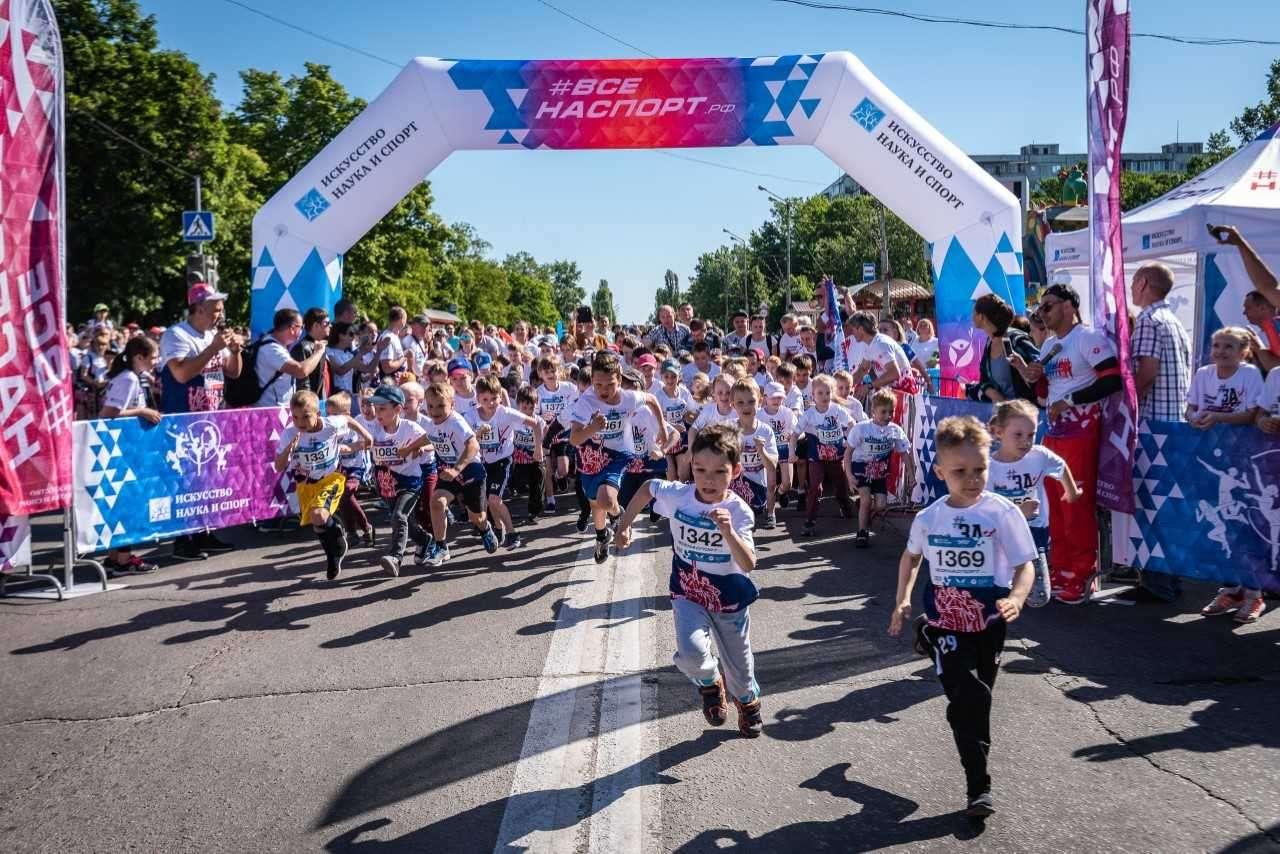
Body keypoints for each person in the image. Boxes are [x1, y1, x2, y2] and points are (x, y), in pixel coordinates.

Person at [888, 415, 1037, 818]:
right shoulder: (929, 518)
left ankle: (974, 757)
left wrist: (1018, 598)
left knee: (977, 699)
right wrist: (903, 599)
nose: (972, 479)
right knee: (970, 696)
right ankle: (979, 787)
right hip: (947, 622)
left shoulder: (1002, 513)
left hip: (990, 622)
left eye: (980, 470)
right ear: (940, 472)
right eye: (960, 472)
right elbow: (911, 557)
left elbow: (1026, 565)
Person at [615, 424, 763, 738]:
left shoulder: (738, 512)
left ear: (735, 471)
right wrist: (625, 525)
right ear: (689, 466)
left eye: (719, 472)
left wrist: (729, 533)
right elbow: (647, 489)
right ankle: (710, 684)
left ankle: (747, 703)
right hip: (688, 590)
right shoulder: (680, 496)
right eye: (700, 469)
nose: (708, 480)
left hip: (729, 598)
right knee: (692, 653)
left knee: (740, 669)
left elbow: (749, 563)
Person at [1014, 284, 1121, 604]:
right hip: (1055, 432)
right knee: (1054, 505)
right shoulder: (1050, 343)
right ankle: (1061, 568)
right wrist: (1031, 375)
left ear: (1069, 306)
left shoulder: (1087, 337)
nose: (1042, 313)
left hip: (1082, 431)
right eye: (1040, 309)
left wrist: (1071, 400)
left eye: (1048, 306)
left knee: (1074, 503)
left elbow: (1112, 379)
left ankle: (1082, 572)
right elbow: (1045, 396)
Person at [157, 280, 243, 561]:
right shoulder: (176, 335)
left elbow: (233, 373)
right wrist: (211, 349)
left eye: (221, 310)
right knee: (186, 480)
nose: (220, 315)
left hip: (212, 418)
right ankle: (184, 541)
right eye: (215, 310)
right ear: (198, 309)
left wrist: (236, 350)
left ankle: (206, 532)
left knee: (208, 481)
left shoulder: (213, 336)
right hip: (184, 419)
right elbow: (181, 374)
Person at [567, 351, 665, 564]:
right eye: (598, 385)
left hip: (620, 454)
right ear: (592, 381)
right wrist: (592, 428)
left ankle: (618, 515)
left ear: (619, 380)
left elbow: (653, 399)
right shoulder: (587, 401)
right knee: (596, 504)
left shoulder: (629, 397)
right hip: (591, 457)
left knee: (606, 499)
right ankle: (602, 536)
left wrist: (663, 430)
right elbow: (574, 439)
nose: (603, 391)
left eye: (610, 384)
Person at [986, 400, 1080, 608]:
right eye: (1018, 435)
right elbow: (987, 508)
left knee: (1039, 597)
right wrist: (1019, 512)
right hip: (1002, 538)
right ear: (999, 433)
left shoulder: (1039, 456)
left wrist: (1071, 492)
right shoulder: (989, 467)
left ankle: (1014, 599)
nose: (1026, 442)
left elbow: (1060, 466)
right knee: (996, 590)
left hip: (1034, 532)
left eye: (1031, 434)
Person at [274, 390, 372, 581]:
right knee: (317, 523)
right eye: (295, 417)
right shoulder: (290, 433)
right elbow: (278, 466)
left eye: (305, 417)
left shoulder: (331, 425)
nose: (300, 422)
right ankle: (334, 554)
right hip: (307, 484)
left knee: (319, 515)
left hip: (331, 478)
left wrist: (366, 435)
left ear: (318, 414)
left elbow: (347, 419)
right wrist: (288, 450)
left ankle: (337, 538)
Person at [97, 337, 163, 576]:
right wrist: (143, 411)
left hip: (124, 448)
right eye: (153, 357)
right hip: (122, 450)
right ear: (139, 357)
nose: (156, 361)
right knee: (127, 503)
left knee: (122, 503)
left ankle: (116, 557)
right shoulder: (129, 378)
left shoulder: (130, 377)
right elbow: (108, 413)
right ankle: (123, 560)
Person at [421, 381, 498, 565]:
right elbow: (427, 436)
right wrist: (409, 448)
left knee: (476, 517)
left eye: (441, 406)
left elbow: (473, 445)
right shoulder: (432, 422)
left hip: (470, 469)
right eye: (431, 406)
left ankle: (485, 528)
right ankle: (441, 548)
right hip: (449, 472)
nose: (435, 411)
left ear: (452, 405)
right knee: (437, 502)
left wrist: (457, 469)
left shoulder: (456, 421)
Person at [365, 383, 434, 577]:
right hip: (385, 483)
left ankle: (395, 557)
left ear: (397, 409)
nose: (377, 413)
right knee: (406, 523)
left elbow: (433, 439)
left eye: (382, 409)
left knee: (399, 517)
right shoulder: (374, 429)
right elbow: (358, 437)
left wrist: (416, 447)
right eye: (375, 408)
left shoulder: (409, 427)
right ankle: (424, 539)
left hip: (409, 482)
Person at [468, 375, 543, 550]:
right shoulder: (470, 415)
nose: (491, 403)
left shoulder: (506, 413)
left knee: (494, 499)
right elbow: (465, 437)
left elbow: (536, 424)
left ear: (500, 397)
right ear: (478, 399)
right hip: (481, 462)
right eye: (485, 399)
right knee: (488, 500)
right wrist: (478, 434)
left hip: (502, 461)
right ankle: (498, 528)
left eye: (494, 398)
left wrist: (538, 448)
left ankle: (512, 533)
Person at [845, 388, 911, 549]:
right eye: (883, 412)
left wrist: (911, 474)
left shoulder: (895, 430)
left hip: (880, 471)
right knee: (867, 499)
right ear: (873, 411)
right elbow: (848, 453)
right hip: (861, 467)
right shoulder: (861, 429)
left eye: (891, 412)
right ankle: (862, 532)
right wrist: (849, 475)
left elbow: (904, 453)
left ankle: (864, 508)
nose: (888, 416)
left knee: (881, 505)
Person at [798, 374, 855, 535]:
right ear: (813, 395)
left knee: (840, 485)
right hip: (816, 456)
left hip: (836, 456)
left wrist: (848, 442)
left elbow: (852, 424)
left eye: (828, 393)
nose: (824, 397)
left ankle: (844, 504)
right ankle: (810, 520)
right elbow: (796, 432)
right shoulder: (809, 414)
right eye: (820, 393)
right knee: (815, 487)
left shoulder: (837, 410)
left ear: (833, 393)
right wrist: (792, 447)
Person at [326, 391, 375, 547]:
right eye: (329, 414)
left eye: (335, 415)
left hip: (355, 467)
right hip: (339, 468)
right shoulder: (330, 428)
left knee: (346, 492)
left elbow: (365, 443)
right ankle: (351, 532)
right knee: (342, 499)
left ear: (346, 414)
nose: (331, 418)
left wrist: (349, 448)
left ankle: (366, 527)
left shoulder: (353, 425)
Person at [729, 380, 779, 528]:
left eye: (751, 401)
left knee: (771, 481)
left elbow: (772, 465)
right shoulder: (729, 428)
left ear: (760, 402)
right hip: (736, 482)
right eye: (740, 403)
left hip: (759, 483)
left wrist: (761, 450)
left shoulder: (765, 431)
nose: (746, 406)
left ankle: (770, 513)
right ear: (732, 405)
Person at [255, 309, 328, 407]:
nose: (303, 331)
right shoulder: (272, 349)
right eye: (302, 327)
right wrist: (319, 351)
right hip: (272, 411)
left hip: (278, 409)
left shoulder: (275, 344)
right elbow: (301, 371)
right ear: (293, 328)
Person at [535, 356, 578, 514]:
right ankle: (550, 501)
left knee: (563, 470)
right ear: (541, 374)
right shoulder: (538, 393)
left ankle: (561, 477)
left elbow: (577, 407)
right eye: (547, 371)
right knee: (547, 468)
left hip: (563, 433)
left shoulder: (570, 388)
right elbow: (534, 414)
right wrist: (542, 419)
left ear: (559, 371)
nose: (551, 374)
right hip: (546, 433)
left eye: (554, 370)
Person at [654, 359, 698, 482]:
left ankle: (685, 497)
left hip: (682, 438)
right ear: (661, 376)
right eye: (666, 376)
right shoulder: (658, 396)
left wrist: (689, 416)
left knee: (683, 472)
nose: (670, 380)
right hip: (665, 439)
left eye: (673, 376)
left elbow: (693, 412)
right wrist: (673, 426)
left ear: (679, 376)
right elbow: (655, 420)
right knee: (671, 473)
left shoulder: (684, 393)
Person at [510, 386, 548, 523]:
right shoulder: (514, 420)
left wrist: (542, 448)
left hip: (535, 458)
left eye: (531, 408)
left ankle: (534, 511)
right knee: (518, 484)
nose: (527, 411)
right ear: (518, 405)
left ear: (536, 406)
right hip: (519, 459)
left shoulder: (539, 421)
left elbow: (544, 435)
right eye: (524, 408)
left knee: (537, 484)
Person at [290, 307, 330, 396]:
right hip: (310, 403)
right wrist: (309, 403)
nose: (330, 326)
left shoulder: (321, 345)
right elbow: (303, 382)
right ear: (316, 325)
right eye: (326, 323)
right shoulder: (303, 347)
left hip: (320, 401)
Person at [378, 307, 409, 380]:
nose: (405, 323)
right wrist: (402, 359)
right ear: (401, 319)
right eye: (405, 319)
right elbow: (387, 368)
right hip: (389, 384)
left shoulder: (393, 336)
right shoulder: (388, 338)